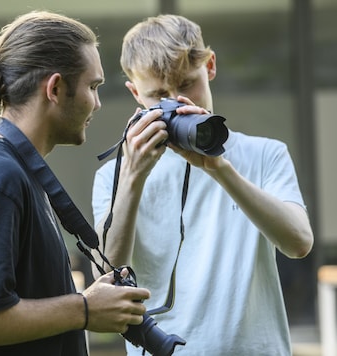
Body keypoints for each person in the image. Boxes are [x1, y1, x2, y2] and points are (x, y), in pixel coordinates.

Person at [92, 14, 314, 355]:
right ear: (135, 93)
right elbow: (106, 275)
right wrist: (133, 176)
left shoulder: (265, 154)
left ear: (210, 66)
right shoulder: (113, 176)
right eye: (158, 95)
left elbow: (299, 243)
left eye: (186, 84)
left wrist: (219, 167)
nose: (179, 103)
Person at [0, 10, 151, 356]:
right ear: (55, 88)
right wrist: (84, 309)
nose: (96, 103)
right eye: (93, 87)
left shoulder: (14, 172)